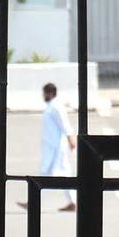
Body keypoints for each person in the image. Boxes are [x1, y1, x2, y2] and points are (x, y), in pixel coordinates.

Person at [18, 83, 76, 212]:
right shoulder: (51, 107)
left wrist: (71, 139)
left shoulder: (56, 107)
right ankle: (73, 202)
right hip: (51, 147)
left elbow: (65, 124)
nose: (43, 95)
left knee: (47, 175)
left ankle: (32, 202)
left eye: (44, 93)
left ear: (49, 93)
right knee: (62, 175)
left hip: (56, 149)